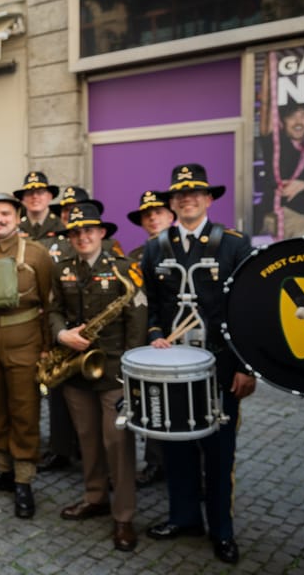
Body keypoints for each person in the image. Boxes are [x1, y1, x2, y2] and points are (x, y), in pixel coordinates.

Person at [141, 163, 256, 565]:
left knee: (219, 451)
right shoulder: (156, 248)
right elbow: (153, 305)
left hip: (222, 367)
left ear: (209, 199)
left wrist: (246, 366)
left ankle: (221, 530)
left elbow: (248, 308)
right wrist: (155, 331)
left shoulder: (235, 245)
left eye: (195, 193)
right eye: (179, 195)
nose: (186, 199)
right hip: (172, 366)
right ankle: (184, 517)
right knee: (177, 447)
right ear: (171, 203)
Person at [48, 202, 147, 552]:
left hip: (115, 372)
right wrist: (62, 336)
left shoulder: (124, 268)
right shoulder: (62, 270)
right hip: (78, 370)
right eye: (75, 231)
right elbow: (54, 311)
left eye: (89, 230)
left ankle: (123, 515)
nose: (82, 236)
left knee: (117, 444)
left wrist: (132, 372)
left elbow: (137, 324)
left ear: (102, 233)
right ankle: (95, 497)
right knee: (87, 439)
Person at [0, 192, 54, 519]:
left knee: (24, 409)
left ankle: (24, 478)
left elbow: (49, 303)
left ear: (17, 217)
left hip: (26, 342)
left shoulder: (36, 254)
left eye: (5, 213)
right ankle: (2, 469)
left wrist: (46, 347)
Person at [13, 174, 79, 474]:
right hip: (26, 319)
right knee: (32, 387)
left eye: (40, 192)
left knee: (62, 384)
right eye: (29, 193)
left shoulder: (64, 230)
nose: (35, 197)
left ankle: (67, 445)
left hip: (57, 316)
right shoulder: (18, 230)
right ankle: (48, 446)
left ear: (49, 196)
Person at [125, 190, 177, 488]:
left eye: (158, 212)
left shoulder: (182, 249)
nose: (153, 218)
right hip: (149, 340)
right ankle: (156, 463)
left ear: (171, 215)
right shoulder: (135, 257)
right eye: (147, 215)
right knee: (153, 401)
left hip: (181, 339)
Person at [256, 102, 304, 238]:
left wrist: (303, 186)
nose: (298, 121)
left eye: (303, 116)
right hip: (283, 216)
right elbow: (266, 107)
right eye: (292, 117)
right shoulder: (277, 142)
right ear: (283, 121)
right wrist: (269, 80)